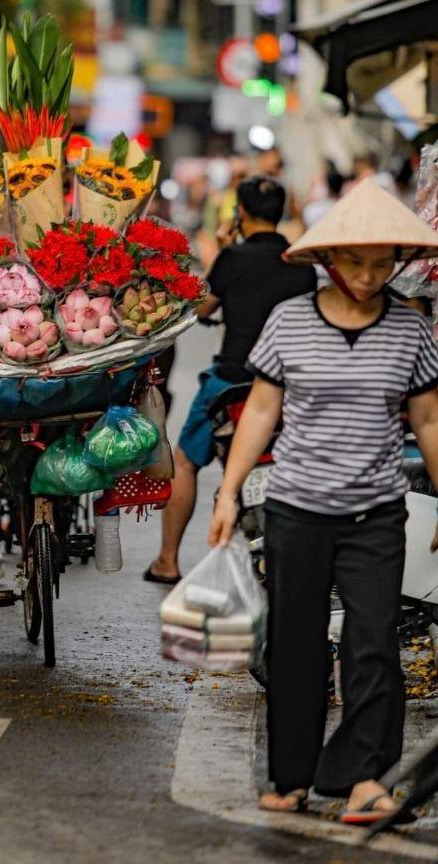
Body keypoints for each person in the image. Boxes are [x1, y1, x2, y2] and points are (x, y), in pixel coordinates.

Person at [209, 178, 438, 826]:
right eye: (356, 262)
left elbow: (426, 420)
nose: (369, 276)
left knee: (373, 644)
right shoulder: (290, 322)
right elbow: (260, 409)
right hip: (297, 511)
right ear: (329, 261)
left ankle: (366, 780)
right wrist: (228, 493)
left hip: (376, 516)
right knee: (296, 645)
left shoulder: (410, 331)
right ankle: (292, 778)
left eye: (382, 263)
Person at [145, 176, 317, 586]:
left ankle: (168, 560)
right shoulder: (303, 266)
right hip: (290, 387)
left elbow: (203, 310)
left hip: (231, 382)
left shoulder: (232, 259)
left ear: (240, 213)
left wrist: (224, 249)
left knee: (184, 462)